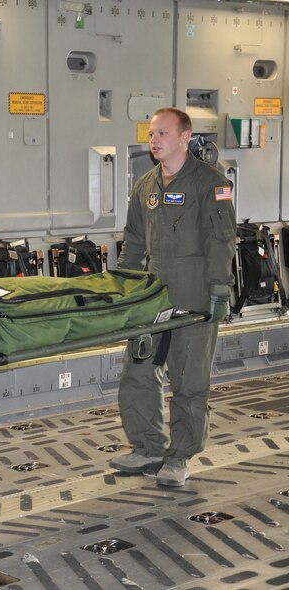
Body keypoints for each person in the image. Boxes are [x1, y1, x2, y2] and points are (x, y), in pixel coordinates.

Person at [110, 107, 236, 487]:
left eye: (162, 133)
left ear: (185, 136)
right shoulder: (146, 185)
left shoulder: (209, 183)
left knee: (188, 380)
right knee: (138, 373)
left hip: (195, 296)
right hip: (152, 299)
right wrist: (125, 288)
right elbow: (132, 242)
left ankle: (180, 457)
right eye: (151, 134)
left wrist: (219, 291)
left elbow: (221, 241)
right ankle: (148, 447)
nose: (154, 140)